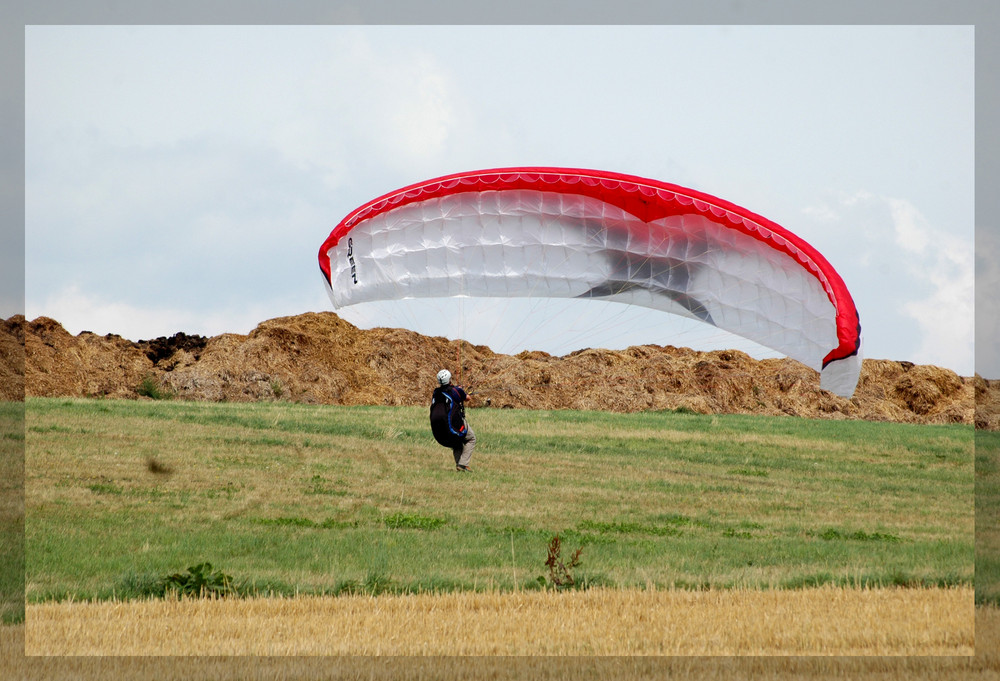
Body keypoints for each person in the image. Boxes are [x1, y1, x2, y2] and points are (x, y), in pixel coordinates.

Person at [429, 369, 476, 472]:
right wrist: (461, 391)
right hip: (454, 427)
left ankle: (460, 466)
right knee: (471, 439)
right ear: (450, 379)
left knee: (457, 444)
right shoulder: (455, 391)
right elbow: (467, 398)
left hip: (440, 432)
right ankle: (463, 464)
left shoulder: (436, 392)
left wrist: (457, 389)